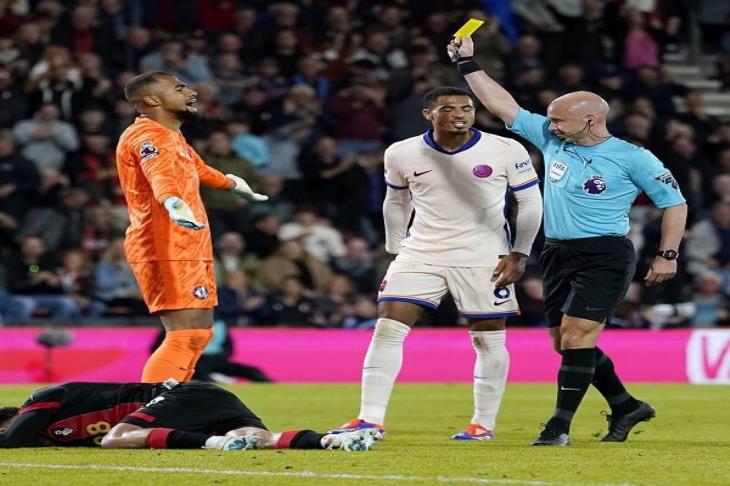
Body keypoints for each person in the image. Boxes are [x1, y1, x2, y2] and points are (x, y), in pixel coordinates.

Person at [447, 36, 687, 445]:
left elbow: (675, 203)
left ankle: (558, 427)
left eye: (558, 120)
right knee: (565, 343)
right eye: (551, 121)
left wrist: (667, 255)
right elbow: (503, 106)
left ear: (591, 120)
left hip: (604, 252)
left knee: (577, 335)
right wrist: (469, 65)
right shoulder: (554, 138)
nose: (550, 126)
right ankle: (627, 406)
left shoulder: (634, 157)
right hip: (557, 251)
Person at [331, 86, 543, 441]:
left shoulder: (505, 149)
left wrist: (520, 253)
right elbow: (396, 202)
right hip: (423, 251)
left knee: (488, 338)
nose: (460, 114)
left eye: (467, 107)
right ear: (428, 114)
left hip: (484, 255)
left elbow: (530, 203)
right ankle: (369, 418)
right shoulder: (401, 152)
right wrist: (396, 247)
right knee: (387, 326)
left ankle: (482, 424)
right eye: (448, 108)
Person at [116, 71, 268, 383]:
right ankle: (152, 412)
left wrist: (233, 184)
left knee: (200, 333)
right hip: (162, 242)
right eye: (180, 88)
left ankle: (174, 404)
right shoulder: (147, 137)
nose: (191, 92)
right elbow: (159, 174)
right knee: (183, 334)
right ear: (153, 100)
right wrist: (172, 202)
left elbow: (198, 169)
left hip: (188, 242)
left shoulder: (173, 137)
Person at [0, 380, 380, 451]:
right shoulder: (58, 437)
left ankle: (215, 445)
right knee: (262, 438)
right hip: (201, 404)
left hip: (182, 394)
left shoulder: (43, 399)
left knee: (117, 439)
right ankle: (335, 440)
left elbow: (11, 440)